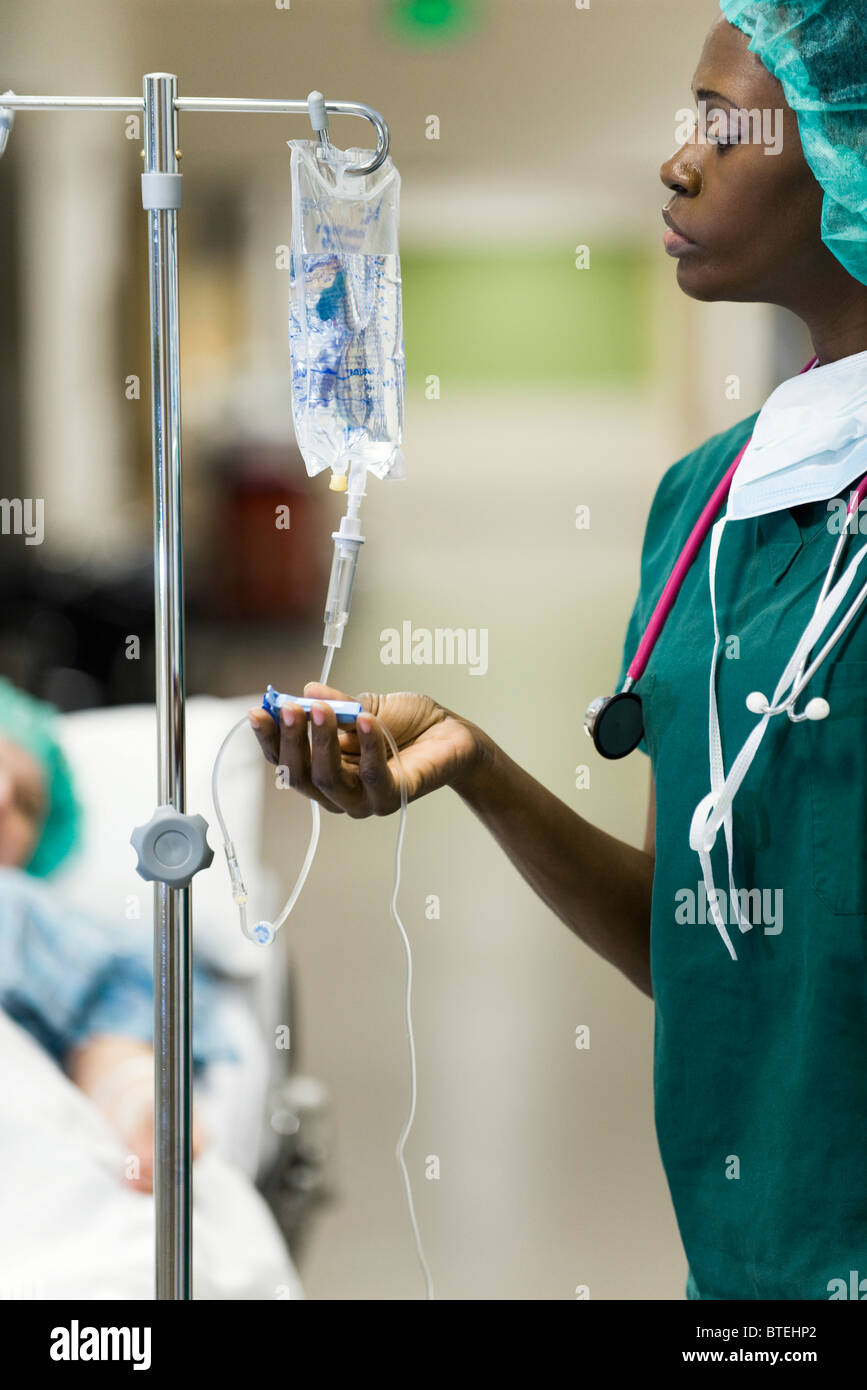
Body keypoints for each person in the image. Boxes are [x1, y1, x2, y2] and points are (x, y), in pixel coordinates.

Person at [249, 1, 867, 1301]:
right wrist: (479, 769)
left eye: (723, 118)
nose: (676, 159)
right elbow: (696, 939)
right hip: (741, 1267)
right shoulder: (703, 504)